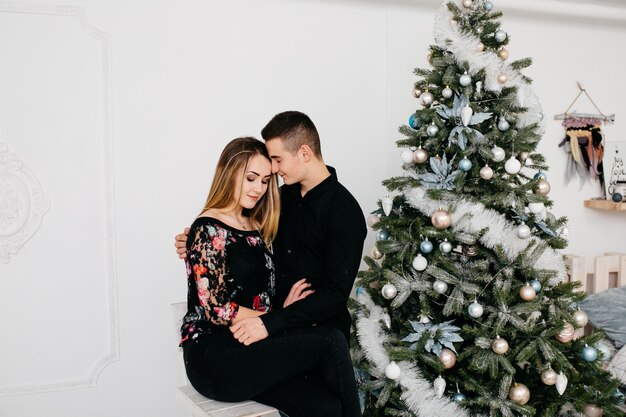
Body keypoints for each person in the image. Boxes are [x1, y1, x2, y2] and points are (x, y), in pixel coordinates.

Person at [180, 136, 361, 417]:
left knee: (326, 408)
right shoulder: (207, 228)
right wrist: (272, 320)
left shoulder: (257, 224)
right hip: (215, 355)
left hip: (252, 345)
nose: (258, 189)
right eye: (251, 178)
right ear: (230, 173)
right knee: (329, 341)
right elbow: (215, 308)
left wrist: (278, 313)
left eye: (265, 180)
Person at [176, 111, 367, 346]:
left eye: (277, 159)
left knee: (330, 350)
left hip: (318, 331)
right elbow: (233, 231)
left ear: (304, 153)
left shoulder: (345, 212)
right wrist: (194, 241)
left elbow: (335, 295)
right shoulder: (278, 198)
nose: (274, 169)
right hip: (265, 331)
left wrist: (274, 321)